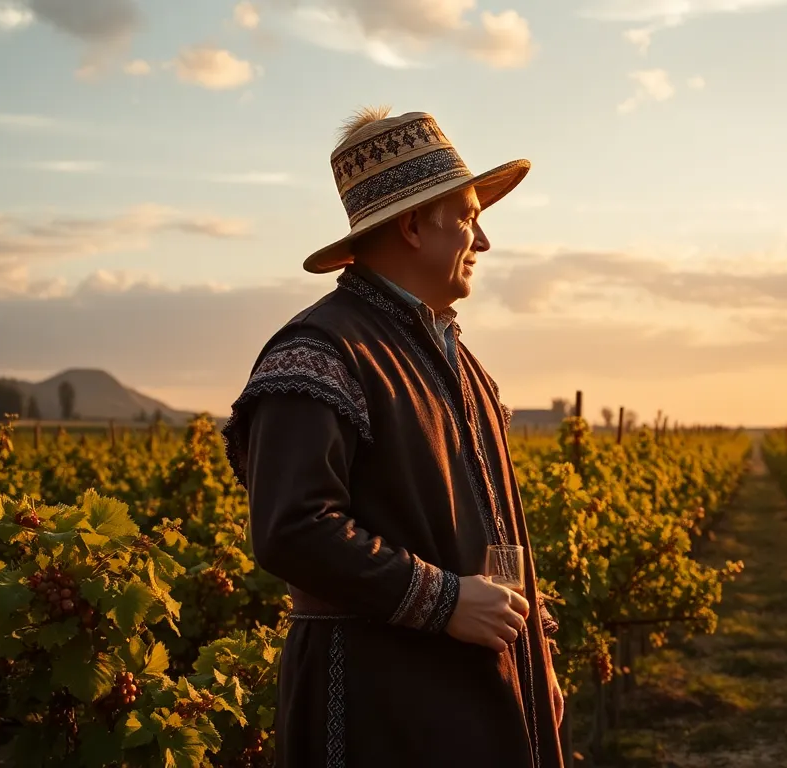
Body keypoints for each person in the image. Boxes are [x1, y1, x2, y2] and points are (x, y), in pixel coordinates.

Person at [221, 107, 564, 767]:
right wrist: (446, 600)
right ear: (412, 226)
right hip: (379, 703)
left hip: (478, 691)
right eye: (466, 217)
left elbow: (491, 526)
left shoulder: (462, 363)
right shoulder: (317, 353)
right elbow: (293, 527)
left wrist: (530, 650)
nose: (483, 241)